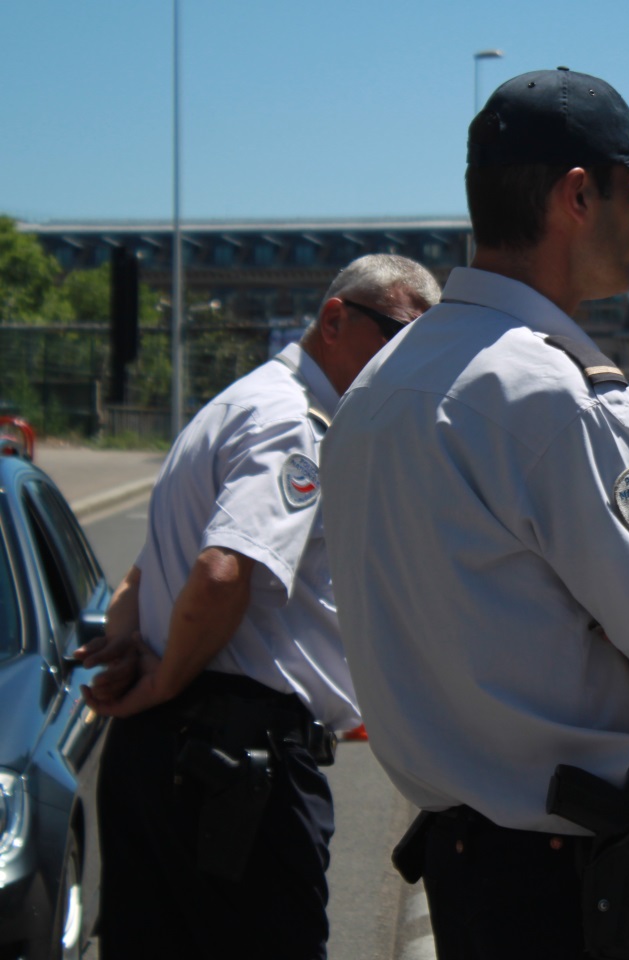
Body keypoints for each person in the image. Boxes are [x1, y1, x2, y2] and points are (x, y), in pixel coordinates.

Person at [322, 68, 629, 960]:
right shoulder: (561, 399)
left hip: (469, 870)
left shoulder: (375, 390)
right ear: (578, 196)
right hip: (582, 884)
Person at [74, 253, 441, 960]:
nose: (408, 363)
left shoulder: (239, 401)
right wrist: (166, 679)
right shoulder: (296, 425)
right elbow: (219, 571)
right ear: (336, 319)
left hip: (169, 758)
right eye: (397, 338)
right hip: (235, 767)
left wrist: (138, 647)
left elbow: (144, 574)